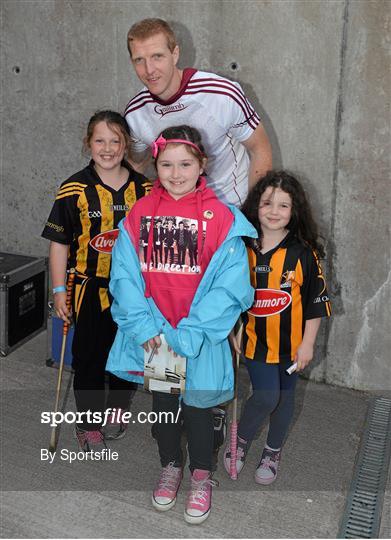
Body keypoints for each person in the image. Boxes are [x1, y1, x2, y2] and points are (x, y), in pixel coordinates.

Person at [106, 125, 256, 524]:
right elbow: (124, 275)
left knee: (199, 410)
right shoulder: (139, 214)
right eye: (167, 164)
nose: (175, 173)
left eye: (185, 163)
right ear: (155, 165)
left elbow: (230, 286)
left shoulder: (222, 219)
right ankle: (170, 466)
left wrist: (190, 333)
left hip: (199, 338)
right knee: (164, 407)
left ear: (202, 164)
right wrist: (147, 330)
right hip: (157, 335)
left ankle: (202, 476)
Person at [42, 110, 151, 452]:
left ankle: (117, 409)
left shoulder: (145, 189)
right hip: (89, 288)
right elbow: (59, 244)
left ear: (126, 144)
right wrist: (59, 289)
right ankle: (88, 421)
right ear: (88, 143)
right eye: (99, 140)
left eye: (115, 140)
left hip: (134, 291)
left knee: (127, 353)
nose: (107, 148)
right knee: (89, 356)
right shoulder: (73, 188)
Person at [223, 170, 331, 484]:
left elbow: (315, 302)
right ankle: (241, 438)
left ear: (294, 211)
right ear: (256, 205)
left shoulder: (304, 254)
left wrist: (308, 344)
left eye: (283, 206)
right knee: (267, 396)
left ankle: (272, 450)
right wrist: (232, 330)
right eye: (268, 203)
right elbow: (228, 295)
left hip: (293, 345)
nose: (274, 211)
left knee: (285, 399)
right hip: (255, 342)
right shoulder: (240, 247)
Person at [124, 18, 272, 208]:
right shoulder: (135, 113)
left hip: (232, 210)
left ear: (175, 54)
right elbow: (136, 164)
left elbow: (260, 149)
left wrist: (252, 214)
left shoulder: (221, 94)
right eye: (139, 60)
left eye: (157, 56)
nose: (149, 69)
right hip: (178, 217)